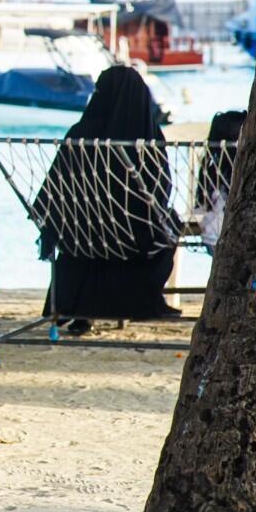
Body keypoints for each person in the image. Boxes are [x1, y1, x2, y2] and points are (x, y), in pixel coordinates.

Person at [33, 65, 178, 335]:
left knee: (88, 228)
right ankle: (136, 301)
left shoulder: (79, 134)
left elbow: (55, 187)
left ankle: (80, 312)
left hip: (80, 236)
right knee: (168, 224)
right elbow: (161, 189)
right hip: (133, 237)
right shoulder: (147, 136)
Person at [195, 109, 245, 254]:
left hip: (211, 237)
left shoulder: (211, 168)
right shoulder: (241, 171)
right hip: (232, 238)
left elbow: (201, 207)